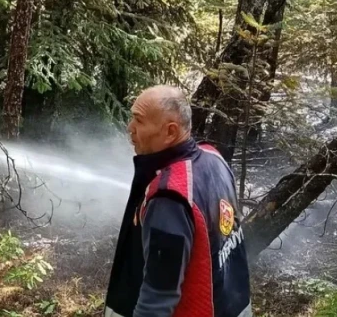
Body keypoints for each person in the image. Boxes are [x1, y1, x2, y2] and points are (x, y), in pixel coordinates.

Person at [104, 85, 252, 317]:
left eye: (139, 121)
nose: (129, 128)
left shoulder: (170, 199)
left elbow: (157, 299)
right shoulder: (213, 159)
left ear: (170, 132)